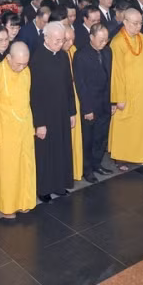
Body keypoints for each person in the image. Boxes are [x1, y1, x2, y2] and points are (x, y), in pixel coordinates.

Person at [0, 42, 37, 217]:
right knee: (8, 171)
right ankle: (7, 206)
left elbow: (27, 100)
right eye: (18, 64)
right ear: (8, 58)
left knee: (25, 167)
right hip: (4, 130)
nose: (21, 67)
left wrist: (31, 126)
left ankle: (24, 200)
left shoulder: (26, 71)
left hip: (23, 127)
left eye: (25, 64)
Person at [29, 22, 76, 202]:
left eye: (62, 40)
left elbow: (68, 85)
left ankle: (59, 184)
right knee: (45, 153)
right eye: (56, 40)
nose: (60, 43)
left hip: (62, 112)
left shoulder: (63, 56)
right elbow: (34, 94)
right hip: (46, 116)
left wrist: (72, 111)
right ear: (45, 38)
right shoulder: (37, 59)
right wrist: (39, 123)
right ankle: (44, 188)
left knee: (61, 149)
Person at [108, 8, 143, 169]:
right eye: (134, 24)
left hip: (142, 93)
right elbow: (116, 73)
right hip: (126, 94)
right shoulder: (117, 42)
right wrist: (119, 98)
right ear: (125, 22)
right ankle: (121, 158)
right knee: (124, 126)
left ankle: (139, 154)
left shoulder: (142, 38)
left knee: (140, 126)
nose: (138, 27)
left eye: (140, 23)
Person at [73, 23, 114, 184]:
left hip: (105, 102)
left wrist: (112, 101)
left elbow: (111, 78)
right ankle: (87, 169)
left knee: (101, 137)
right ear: (91, 37)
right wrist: (87, 108)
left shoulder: (108, 51)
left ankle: (97, 163)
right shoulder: (81, 55)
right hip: (91, 105)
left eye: (106, 40)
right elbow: (80, 84)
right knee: (88, 139)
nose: (104, 43)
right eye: (101, 40)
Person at [63, 27, 83, 181]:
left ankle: (76, 169)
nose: (70, 43)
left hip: (74, 96)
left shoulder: (74, 49)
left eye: (72, 39)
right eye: (67, 40)